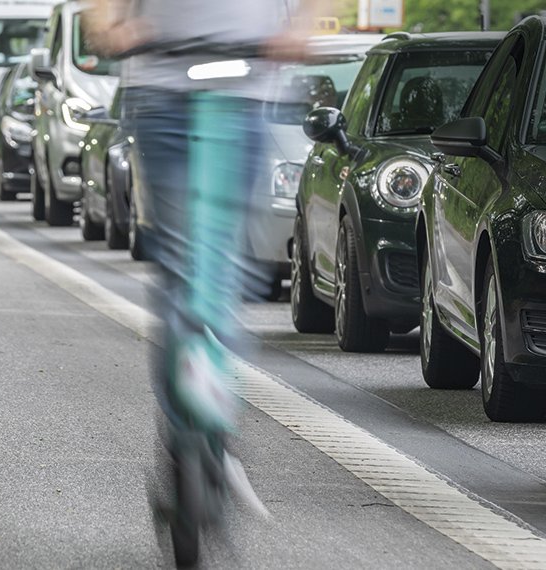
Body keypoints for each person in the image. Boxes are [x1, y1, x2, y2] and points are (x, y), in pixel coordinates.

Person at [85, 0, 323, 564]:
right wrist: (107, 20)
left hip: (244, 89)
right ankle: (181, 432)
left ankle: (215, 422)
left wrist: (304, 27)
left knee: (222, 270)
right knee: (178, 267)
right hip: (162, 85)